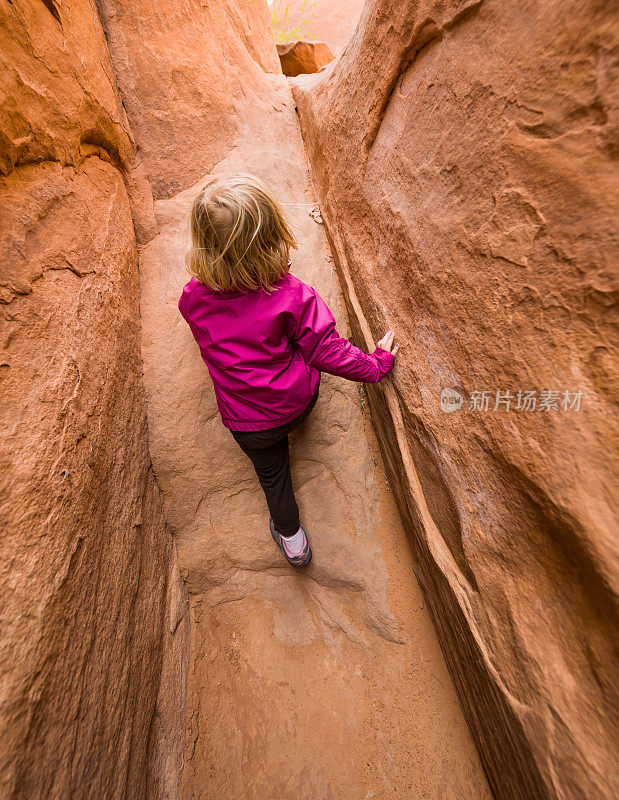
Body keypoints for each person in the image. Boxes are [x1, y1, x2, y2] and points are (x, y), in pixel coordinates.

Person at [178, 174, 399, 568]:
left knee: (272, 477)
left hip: (247, 424)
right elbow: (327, 352)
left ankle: (293, 540)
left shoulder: (192, 298)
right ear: (270, 242)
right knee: (300, 349)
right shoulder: (293, 296)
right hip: (296, 403)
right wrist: (376, 365)